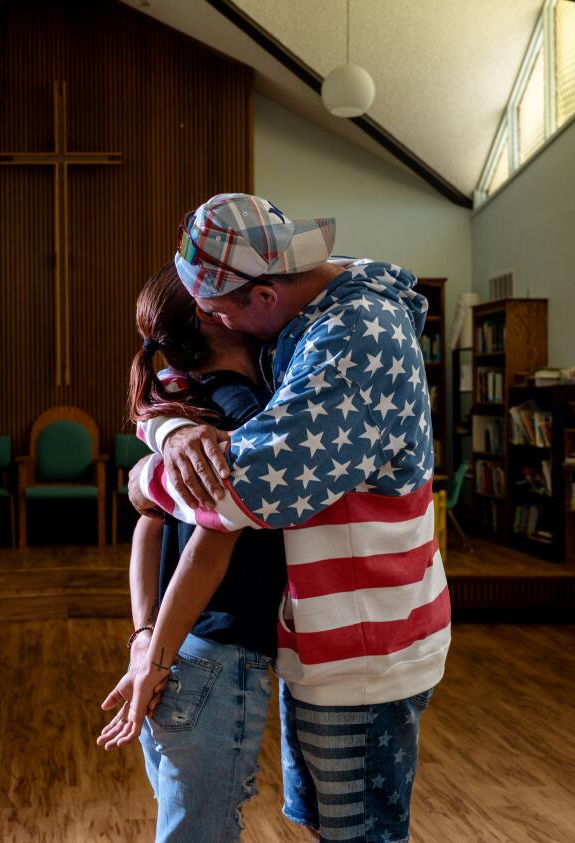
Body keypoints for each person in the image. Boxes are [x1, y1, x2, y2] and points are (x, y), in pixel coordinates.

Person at [113, 194, 451, 843]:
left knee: (362, 833)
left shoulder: (353, 335)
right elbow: (186, 406)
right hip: (326, 637)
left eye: (217, 312)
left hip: (367, 644)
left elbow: (246, 495)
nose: (215, 325)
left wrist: (142, 480)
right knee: (333, 825)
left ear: (263, 296)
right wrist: (170, 432)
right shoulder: (296, 322)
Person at [97, 263, 287, 842]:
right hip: (214, 658)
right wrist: (152, 656)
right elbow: (209, 550)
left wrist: (144, 640)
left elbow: (146, 524)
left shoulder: (180, 406)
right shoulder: (247, 418)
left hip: (172, 651)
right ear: (212, 312)